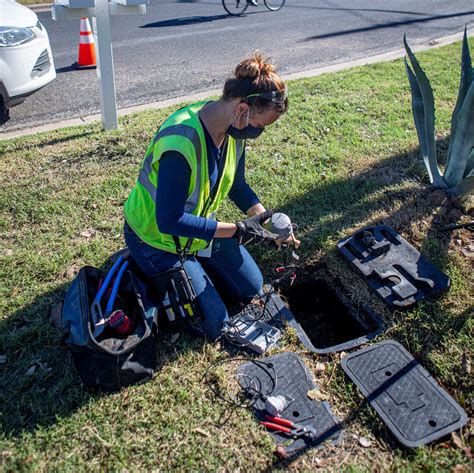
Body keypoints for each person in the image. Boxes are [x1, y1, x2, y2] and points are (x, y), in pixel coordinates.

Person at [123, 52, 290, 340]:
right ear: (242, 108)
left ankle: (195, 268)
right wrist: (237, 231)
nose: (258, 133)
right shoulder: (182, 141)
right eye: (261, 126)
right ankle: (147, 268)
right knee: (215, 322)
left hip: (198, 233)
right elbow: (170, 220)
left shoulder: (233, 131)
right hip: (156, 239)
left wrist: (265, 222)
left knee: (252, 286)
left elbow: (237, 186)